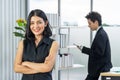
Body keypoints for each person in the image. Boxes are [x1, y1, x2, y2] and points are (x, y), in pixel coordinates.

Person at [14, 9, 59, 80]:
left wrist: (26, 63)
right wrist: (42, 68)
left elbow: (47, 67)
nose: (35, 26)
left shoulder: (53, 44)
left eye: (39, 22)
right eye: (32, 23)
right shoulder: (22, 43)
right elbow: (16, 68)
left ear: (46, 23)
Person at [77, 11, 112, 80]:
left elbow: (98, 53)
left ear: (96, 22)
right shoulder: (100, 33)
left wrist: (83, 49)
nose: (88, 25)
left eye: (89, 23)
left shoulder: (101, 34)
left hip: (99, 69)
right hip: (97, 69)